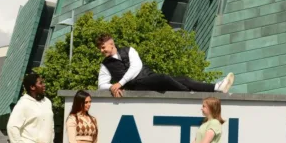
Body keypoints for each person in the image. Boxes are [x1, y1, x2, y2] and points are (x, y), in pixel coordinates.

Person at [96, 34, 235, 97]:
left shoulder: (129, 50)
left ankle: (217, 87)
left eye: (103, 47)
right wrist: (113, 87)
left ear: (111, 43)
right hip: (135, 86)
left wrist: (119, 83)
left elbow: (136, 67)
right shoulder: (105, 65)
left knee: (184, 79)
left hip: (147, 77)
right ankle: (190, 96)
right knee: (164, 78)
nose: (102, 51)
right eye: (100, 49)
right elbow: (101, 84)